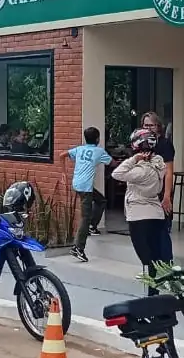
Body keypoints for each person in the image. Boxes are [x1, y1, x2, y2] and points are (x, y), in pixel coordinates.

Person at [110, 129, 170, 296]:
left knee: (147, 260)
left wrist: (133, 160)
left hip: (139, 216)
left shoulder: (141, 171)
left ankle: (150, 297)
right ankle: (155, 294)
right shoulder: (160, 163)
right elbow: (156, 160)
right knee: (156, 257)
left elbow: (117, 173)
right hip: (156, 214)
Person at [64, 126, 111, 262]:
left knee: (101, 200)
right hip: (86, 187)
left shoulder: (79, 149)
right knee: (85, 217)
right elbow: (111, 163)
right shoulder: (98, 151)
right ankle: (78, 247)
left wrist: (62, 172)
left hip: (78, 184)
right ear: (97, 139)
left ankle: (92, 226)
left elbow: (62, 155)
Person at [141, 112, 176, 263]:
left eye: (151, 125)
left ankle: (167, 262)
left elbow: (169, 171)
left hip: (161, 190)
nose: (149, 129)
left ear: (158, 126)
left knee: (162, 228)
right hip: (146, 191)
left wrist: (167, 195)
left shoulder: (164, 143)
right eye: (146, 125)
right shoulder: (141, 143)